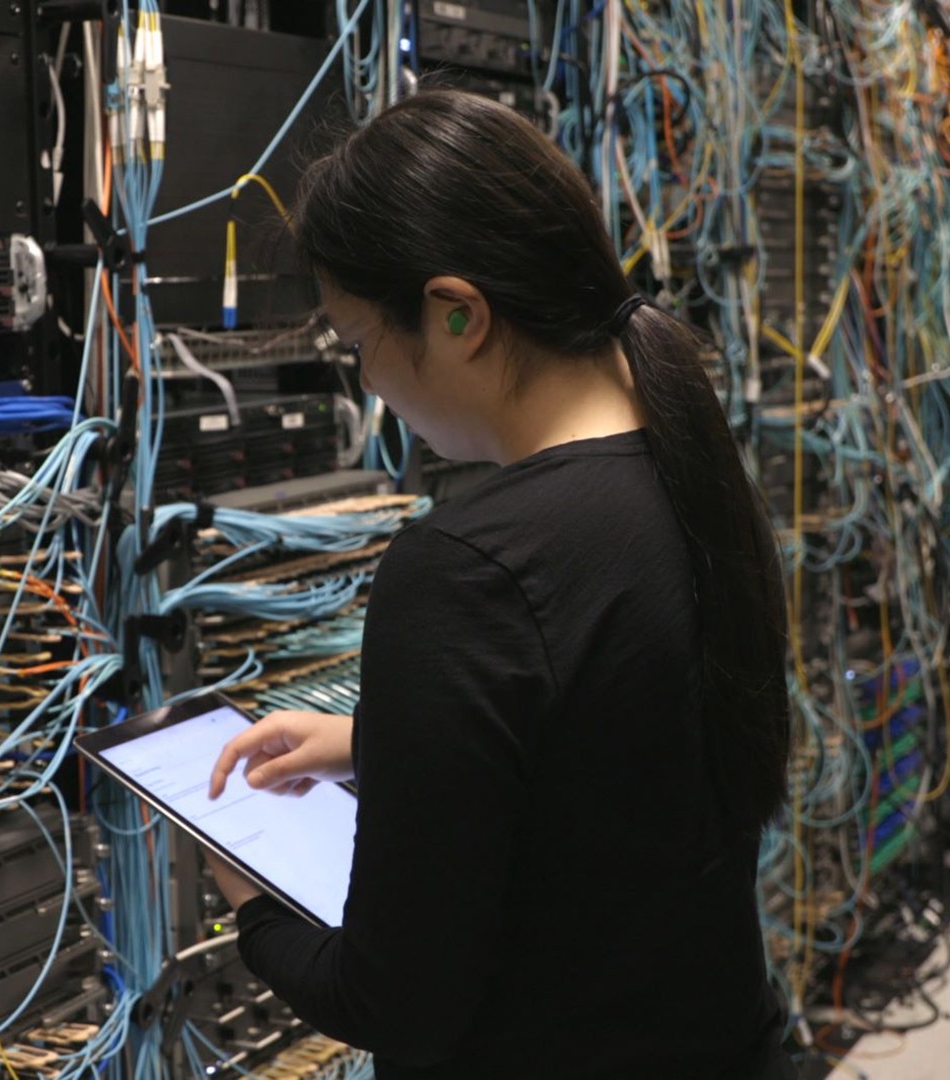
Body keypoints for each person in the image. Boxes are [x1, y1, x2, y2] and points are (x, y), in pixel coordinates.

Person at [203, 90, 799, 1079]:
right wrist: (379, 744)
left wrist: (251, 900)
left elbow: (393, 999)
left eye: (358, 346)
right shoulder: (686, 466)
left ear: (457, 314)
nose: (370, 387)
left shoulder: (467, 570)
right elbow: (620, 754)